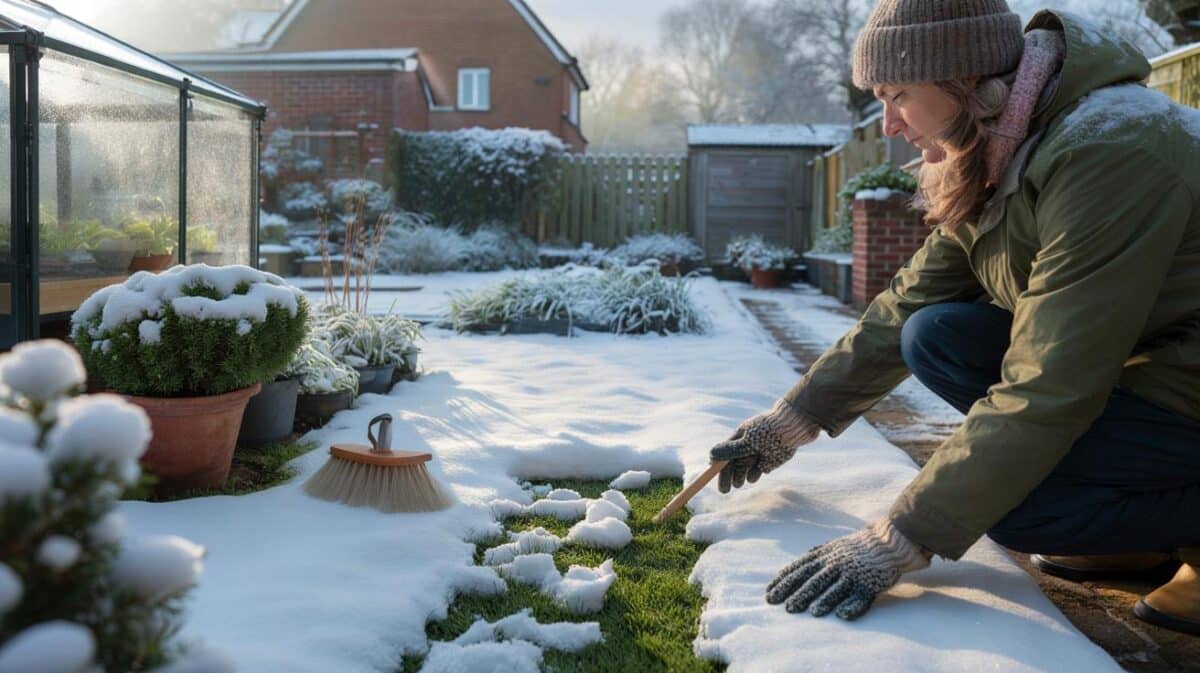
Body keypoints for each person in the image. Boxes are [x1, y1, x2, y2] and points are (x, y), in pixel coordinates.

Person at [710, 0, 1200, 635]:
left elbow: (1052, 380)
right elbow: (909, 303)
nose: (890, 125)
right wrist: (793, 419)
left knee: (1018, 510)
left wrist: (903, 535)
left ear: (964, 78)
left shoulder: (1107, 151)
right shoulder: (1004, 141)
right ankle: (1133, 531)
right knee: (935, 334)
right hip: (1152, 366)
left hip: (1182, 381)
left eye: (898, 96)